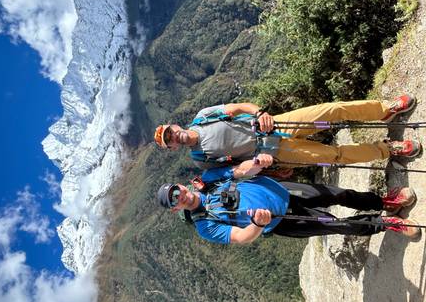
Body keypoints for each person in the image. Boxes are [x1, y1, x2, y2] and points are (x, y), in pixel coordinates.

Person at [156, 154, 421, 244]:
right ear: (175, 209)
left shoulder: (209, 178)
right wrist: (257, 225)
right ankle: (385, 223)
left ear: (181, 185)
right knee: (335, 224)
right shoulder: (204, 225)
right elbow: (240, 238)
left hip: (284, 191)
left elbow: (241, 171)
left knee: (338, 194)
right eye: (175, 200)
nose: (181, 196)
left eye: (176, 191)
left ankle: (384, 202)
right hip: (281, 222)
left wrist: (258, 163)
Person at [154, 96, 422, 170]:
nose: (174, 137)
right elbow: (236, 170)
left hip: (276, 124)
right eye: (170, 141)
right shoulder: (201, 160)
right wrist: (264, 166)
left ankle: (385, 110)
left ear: (174, 125)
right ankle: (389, 149)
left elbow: (238, 107)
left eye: (170, 132)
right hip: (276, 151)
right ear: (173, 148)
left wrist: (259, 113)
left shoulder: (204, 116)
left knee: (330, 111)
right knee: (334, 155)